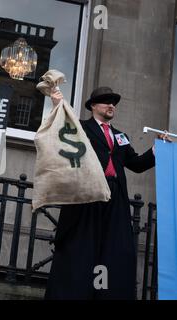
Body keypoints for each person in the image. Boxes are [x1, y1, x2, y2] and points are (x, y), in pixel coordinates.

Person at [45, 87, 170, 300]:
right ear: (93, 105)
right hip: (89, 196)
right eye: (105, 101)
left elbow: (137, 164)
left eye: (113, 102)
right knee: (82, 247)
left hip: (115, 199)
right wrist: (58, 104)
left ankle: (101, 292)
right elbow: (62, 132)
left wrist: (158, 148)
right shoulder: (81, 128)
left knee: (113, 250)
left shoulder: (121, 137)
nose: (111, 105)